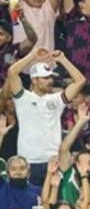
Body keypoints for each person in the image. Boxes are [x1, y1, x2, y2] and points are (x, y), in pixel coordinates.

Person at [6, 48, 85, 184]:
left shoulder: (56, 99)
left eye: (50, 77)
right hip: (28, 162)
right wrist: (32, 56)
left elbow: (80, 81)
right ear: (34, 80)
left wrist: (62, 60)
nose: (50, 81)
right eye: (45, 78)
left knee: (53, 202)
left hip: (53, 161)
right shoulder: (23, 98)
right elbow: (12, 72)